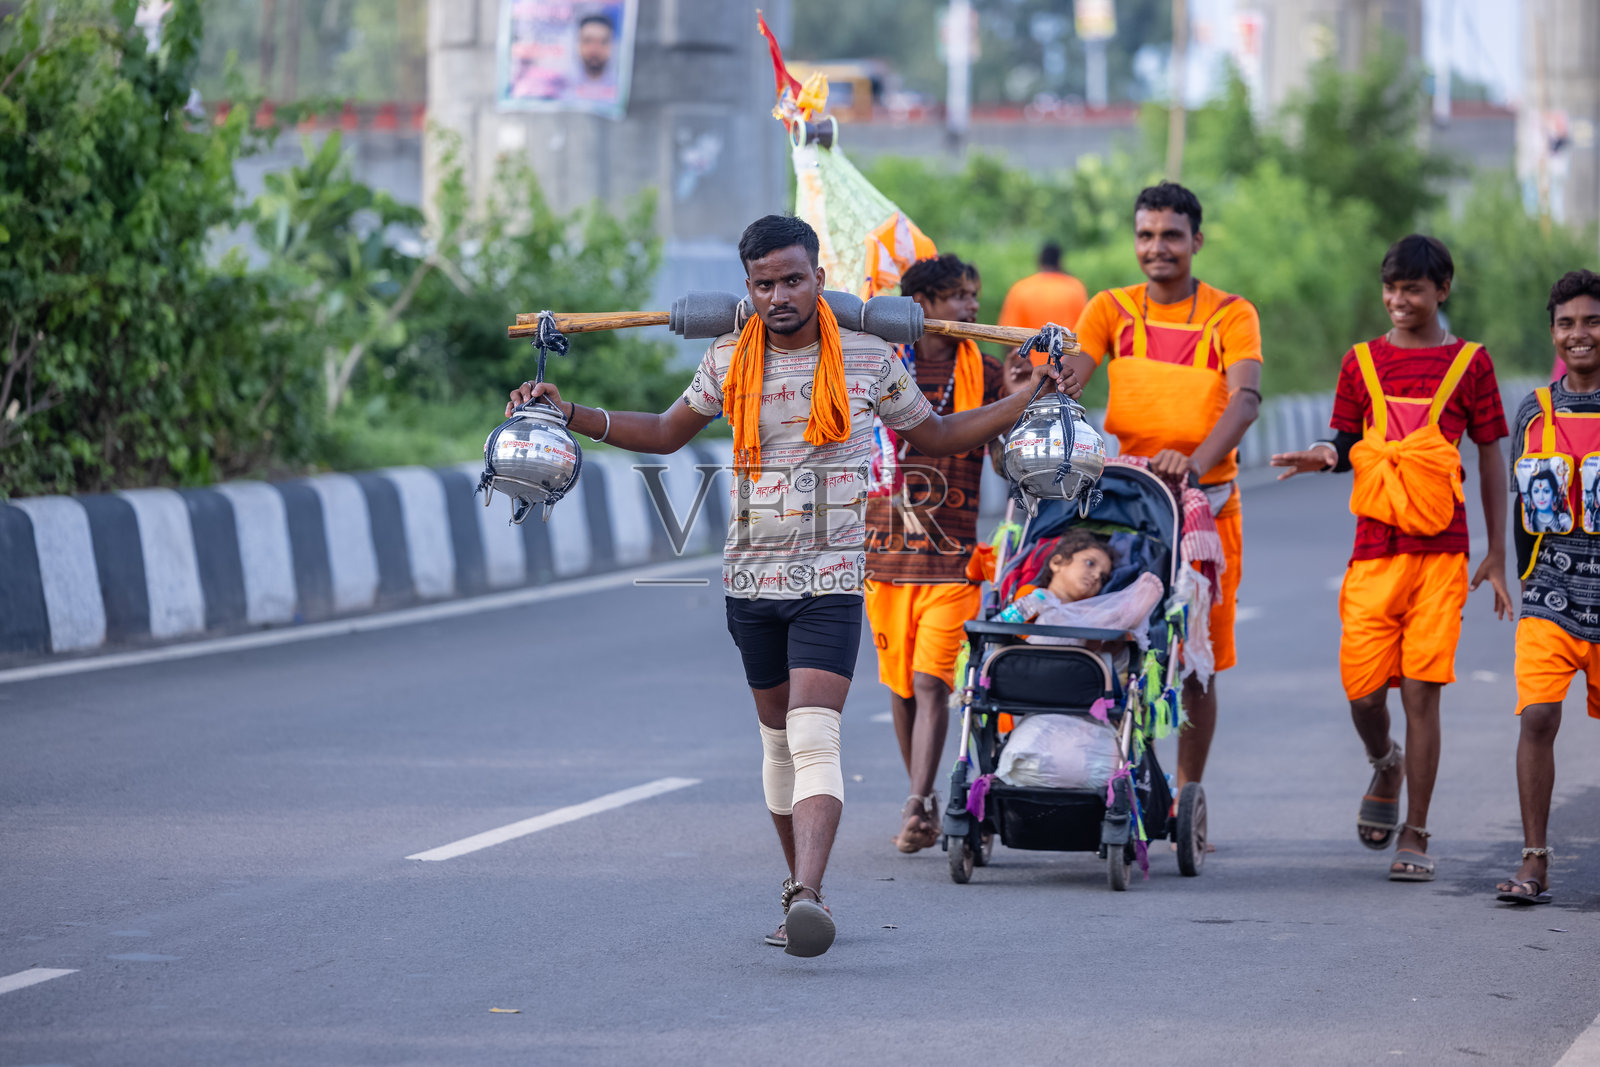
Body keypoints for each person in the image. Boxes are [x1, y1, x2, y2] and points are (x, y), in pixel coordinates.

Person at [505, 215, 1075, 957]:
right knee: (777, 745)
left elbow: (931, 436)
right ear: (749, 287)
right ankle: (796, 889)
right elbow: (668, 430)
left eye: (793, 279)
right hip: (749, 579)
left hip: (833, 577)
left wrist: (1021, 400)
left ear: (818, 280)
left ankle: (810, 891)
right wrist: (569, 412)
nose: (779, 295)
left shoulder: (870, 357)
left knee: (813, 734)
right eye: (764, 282)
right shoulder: (727, 354)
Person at [1271, 234, 1511, 882]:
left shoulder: (1471, 363)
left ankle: (1417, 830)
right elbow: (1347, 442)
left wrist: (1497, 547)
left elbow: (1490, 450)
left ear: (1442, 290)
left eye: (1412, 288)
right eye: (1391, 287)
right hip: (1374, 554)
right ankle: (1385, 761)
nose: (1398, 300)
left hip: (1441, 555)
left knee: (1424, 696)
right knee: (1364, 693)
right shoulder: (1361, 362)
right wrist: (1322, 454)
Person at [1061, 182, 1262, 810]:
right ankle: (1103, 771)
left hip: (1206, 512)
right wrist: (1039, 384)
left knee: (1198, 660)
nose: (1157, 248)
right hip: (1126, 511)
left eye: (1171, 235)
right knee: (1108, 637)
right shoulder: (1108, 310)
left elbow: (1246, 399)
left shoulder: (1231, 314)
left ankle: (1183, 794)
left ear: (1195, 241)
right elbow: (1071, 376)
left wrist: (1195, 467)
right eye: (1145, 235)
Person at [862, 254, 1007, 854]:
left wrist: (1024, 400)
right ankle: (919, 796)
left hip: (952, 560)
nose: (972, 308)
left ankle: (917, 802)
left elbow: (1004, 463)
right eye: (958, 297)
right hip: (882, 558)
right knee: (899, 689)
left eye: (974, 296)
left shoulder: (992, 373)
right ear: (919, 306)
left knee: (929, 684)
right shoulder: (874, 365)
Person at [1497, 269, 1600, 905]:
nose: (1579, 334)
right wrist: (1523, 575)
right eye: (1567, 323)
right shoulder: (1534, 409)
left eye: (1591, 321)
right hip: (1553, 589)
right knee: (1537, 714)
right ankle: (1534, 862)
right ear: (1553, 332)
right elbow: (1518, 504)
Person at [998, 241, 1090, 345]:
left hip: (1028, 359)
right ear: (1060, 261)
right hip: (1065, 359)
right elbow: (1085, 333)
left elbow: (1007, 334)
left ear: (1039, 261)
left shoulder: (1020, 289)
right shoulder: (1076, 288)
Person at [568, 11, 617, 102]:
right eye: (588, 41)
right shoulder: (563, 87)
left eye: (603, 42)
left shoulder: (620, 86)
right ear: (578, 44)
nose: (594, 49)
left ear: (612, 46)